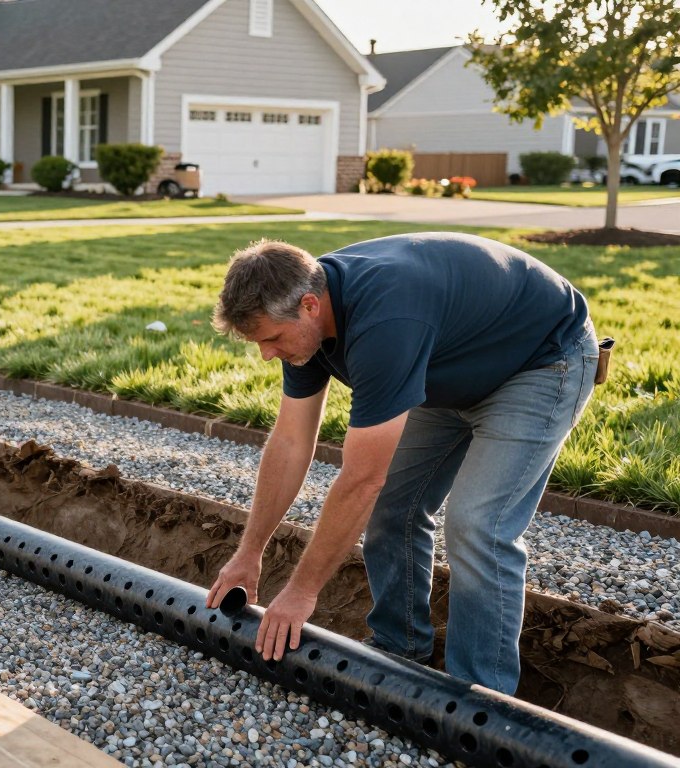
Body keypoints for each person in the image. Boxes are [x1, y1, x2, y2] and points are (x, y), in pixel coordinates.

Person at [203, 232, 597, 695]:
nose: (267, 354)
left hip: (540, 360)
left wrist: (301, 592)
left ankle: (479, 697)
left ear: (310, 306)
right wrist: (249, 553)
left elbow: (361, 479)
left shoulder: (384, 321)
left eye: (271, 339)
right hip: (448, 361)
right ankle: (400, 649)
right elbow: (290, 442)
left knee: (477, 525)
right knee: (393, 505)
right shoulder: (302, 313)